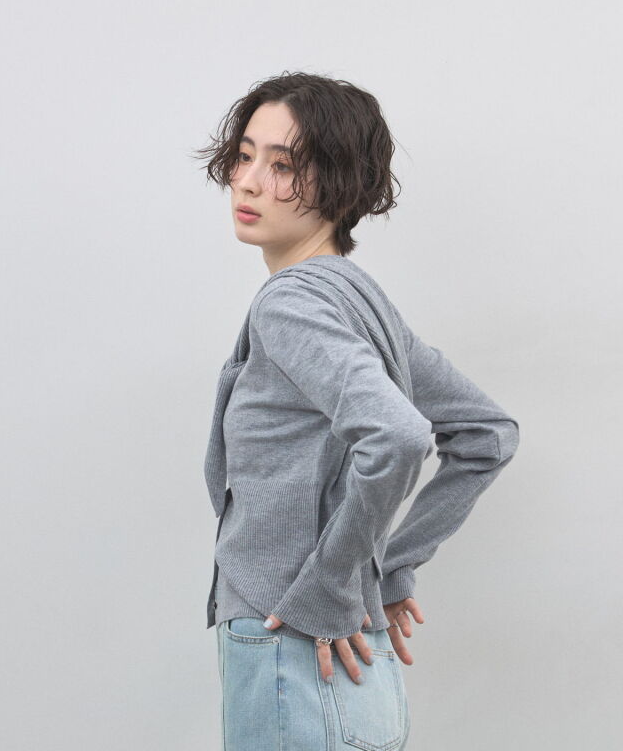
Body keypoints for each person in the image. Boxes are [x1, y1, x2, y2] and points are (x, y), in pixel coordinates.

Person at [192, 71, 520, 750]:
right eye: (245, 156)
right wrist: (385, 566)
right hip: (354, 683)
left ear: (340, 184)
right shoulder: (364, 303)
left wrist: (329, 585)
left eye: (284, 167)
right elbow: (487, 436)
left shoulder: (292, 302)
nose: (248, 182)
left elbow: (398, 436)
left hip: (295, 662)